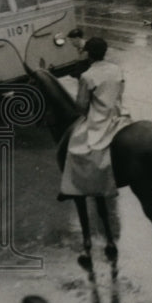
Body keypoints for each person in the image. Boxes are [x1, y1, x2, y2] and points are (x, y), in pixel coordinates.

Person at [58, 37, 127, 200]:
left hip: (99, 118)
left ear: (89, 54)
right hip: (119, 113)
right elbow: (120, 90)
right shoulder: (116, 69)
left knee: (75, 145)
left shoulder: (87, 76)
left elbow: (81, 106)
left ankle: (78, 187)